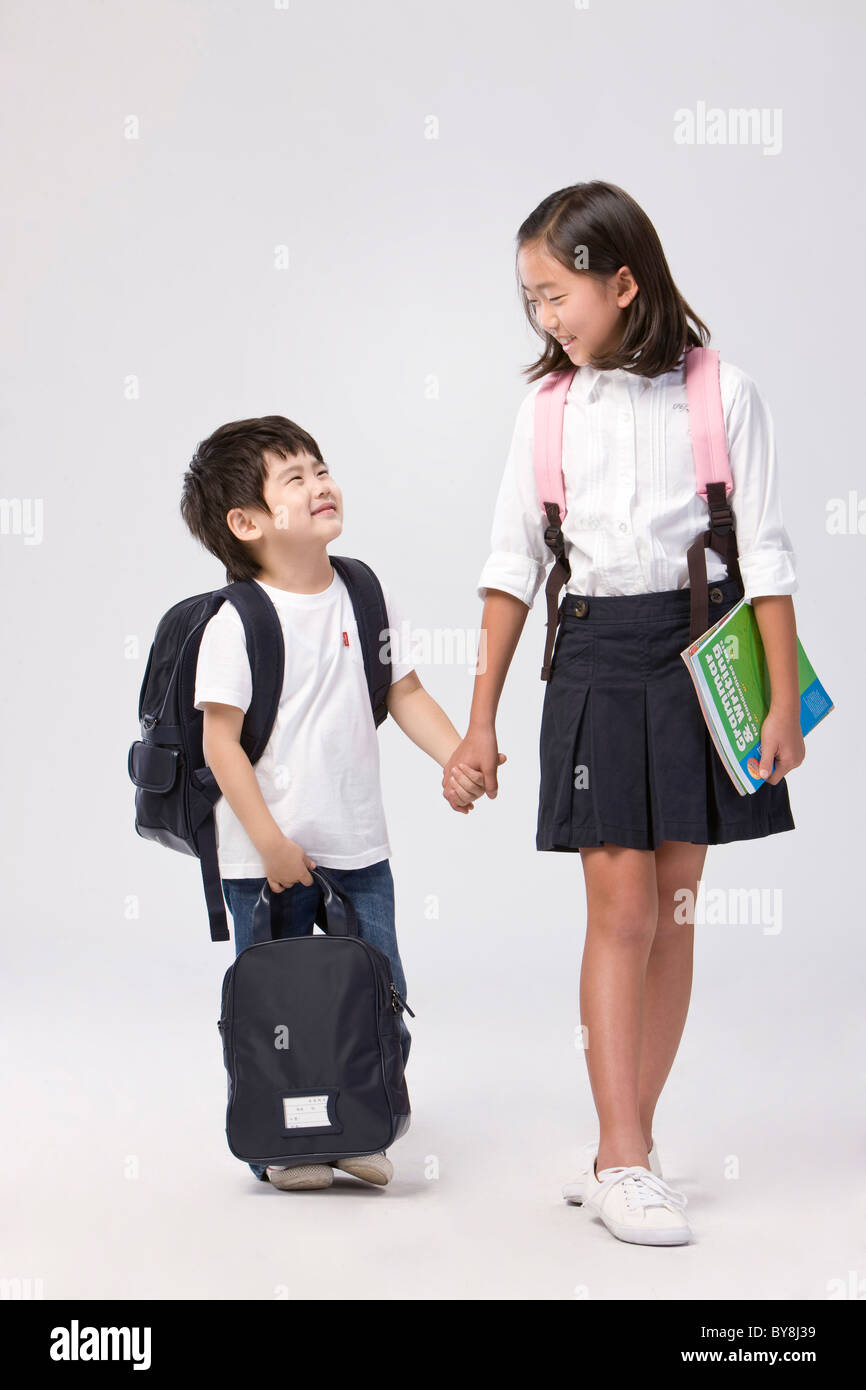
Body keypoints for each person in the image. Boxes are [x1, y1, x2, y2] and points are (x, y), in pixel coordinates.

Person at [442, 180, 805, 1246]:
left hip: (699, 648)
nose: (545, 319)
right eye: (529, 302)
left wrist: (780, 700)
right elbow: (511, 569)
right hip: (595, 651)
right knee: (622, 909)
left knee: (677, 902)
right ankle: (619, 1156)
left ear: (622, 281)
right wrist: (479, 722)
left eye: (557, 294)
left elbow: (767, 554)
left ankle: (627, 1140)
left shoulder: (721, 392)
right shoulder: (547, 411)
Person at [180, 415, 497, 1191]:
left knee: (378, 991)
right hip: (266, 854)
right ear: (246, 523)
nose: (321, 483)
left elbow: (402, 689)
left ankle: (364, 1122)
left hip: (357, 846)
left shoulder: (361, 589)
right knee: (278, 1003)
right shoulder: (236, 621)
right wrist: (272, 841)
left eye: (320, 467)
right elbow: (221, 745)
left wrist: (457, 751)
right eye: (294, 477)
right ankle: (284, 1142)